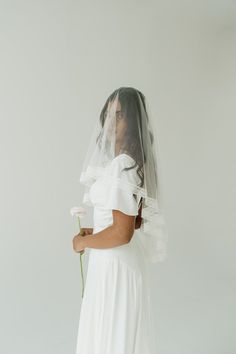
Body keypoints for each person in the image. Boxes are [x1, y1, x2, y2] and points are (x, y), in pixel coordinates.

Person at [72, 87, 168, 353]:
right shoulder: (129, 164)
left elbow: (122, 233)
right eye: (109, 114)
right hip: (115, 261)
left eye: (120, 115)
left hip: (115, 265)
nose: (112, 122)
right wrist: (97, 230)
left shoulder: (123, 166)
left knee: (112, 336)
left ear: (134, 121)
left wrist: (84, 243)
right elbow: (132, 222)